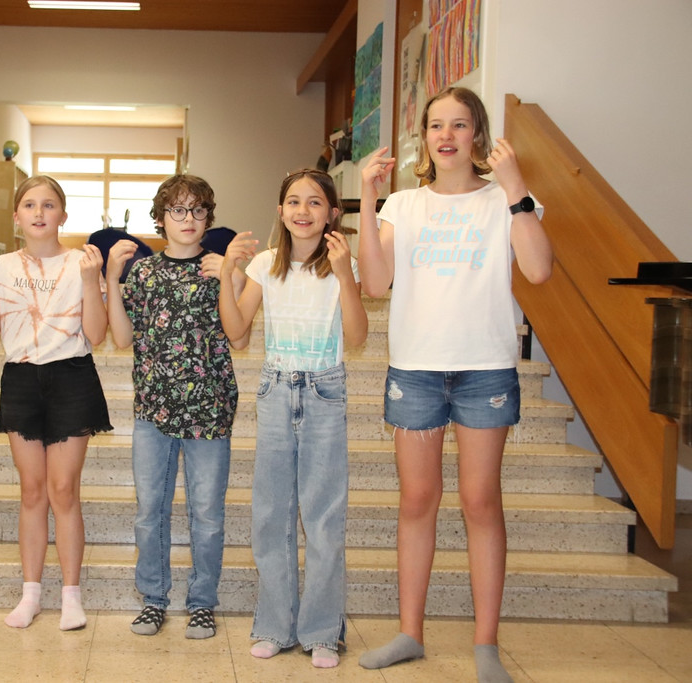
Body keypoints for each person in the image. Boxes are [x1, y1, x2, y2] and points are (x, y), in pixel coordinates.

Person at [356, 87, 553, 683]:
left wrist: (515, 186)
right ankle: (409, 634)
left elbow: (539, 269)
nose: (446, 135)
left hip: (484, 369)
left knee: (480, 501)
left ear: (478, 134)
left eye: (459, 125)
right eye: (436, 125)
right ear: (424, 136)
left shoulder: (506, 201)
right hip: (416, 369)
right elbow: (374, 283)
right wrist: (368, 199)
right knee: (417, 501)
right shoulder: (404, 205)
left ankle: (486, 644)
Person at [218, 168, 369, 669]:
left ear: (332, 213)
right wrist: (228, 273)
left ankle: (323, 631)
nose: (303, 210)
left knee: (323, 516)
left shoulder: (342, 266)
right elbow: (237, 330)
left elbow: (357, 336)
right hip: (276, 390)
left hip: (325, 389)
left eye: (315, 202)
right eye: (294, 201)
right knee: (271, 513)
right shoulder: (266, 264)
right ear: (280, 211)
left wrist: (345, 274)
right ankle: (275, 624)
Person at [104, 175, 249, 640]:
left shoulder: (218, 268)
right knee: (150, 511)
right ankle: (154, 598)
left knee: (207, 514)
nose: (189, 219)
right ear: (161, 217)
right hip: (154, 410)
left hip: (209, 409)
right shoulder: (144, 273)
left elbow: (240, 336)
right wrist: (111, 279)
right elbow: (122, 338)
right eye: (178, 210)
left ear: (209, 216)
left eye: (198, 210)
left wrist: (229, 274)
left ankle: (202, 602)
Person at [0, 175, 113, 631]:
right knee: (32, 490)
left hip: (72, 377)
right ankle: (30, 593)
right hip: (21, 378)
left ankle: (71, 596)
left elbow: (97, 334)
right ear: (16, 216)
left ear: (63, 215)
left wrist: (91, 281)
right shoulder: (0, 266)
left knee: (63, 489)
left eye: (48, 205)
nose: (39, 212)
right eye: (30, 205)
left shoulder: (81, 263)